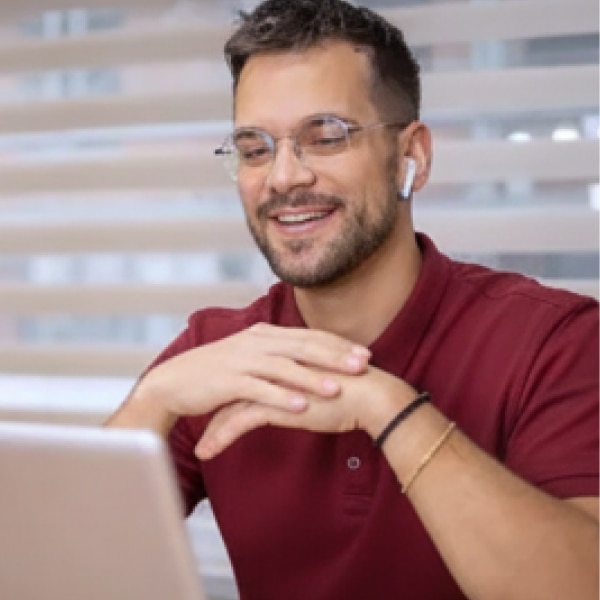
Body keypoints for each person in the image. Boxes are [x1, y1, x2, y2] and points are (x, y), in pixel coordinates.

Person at [107, 1, 599, 598]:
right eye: (256, 149)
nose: (284, 177)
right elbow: (55, 568)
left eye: (326, 137)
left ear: (410, 156)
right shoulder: (215, 353)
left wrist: (387, 409)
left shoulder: (553, 341)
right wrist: (151, 401)